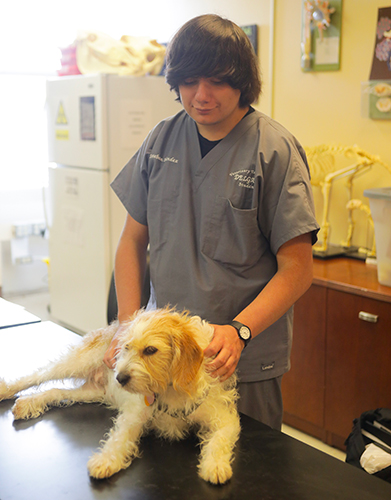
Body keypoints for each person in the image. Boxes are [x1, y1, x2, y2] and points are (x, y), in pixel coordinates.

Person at [104, 14, 320, 431]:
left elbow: (298, 269)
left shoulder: (274, 151)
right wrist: (128, 331)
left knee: (246, 480)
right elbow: (131, 243)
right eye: (188, 81)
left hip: (238, 360)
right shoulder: (160, 141)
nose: (201, 95)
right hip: (163, 359)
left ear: (242, 81)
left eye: (217, 81)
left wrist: (240, 331)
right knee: (163, 478)